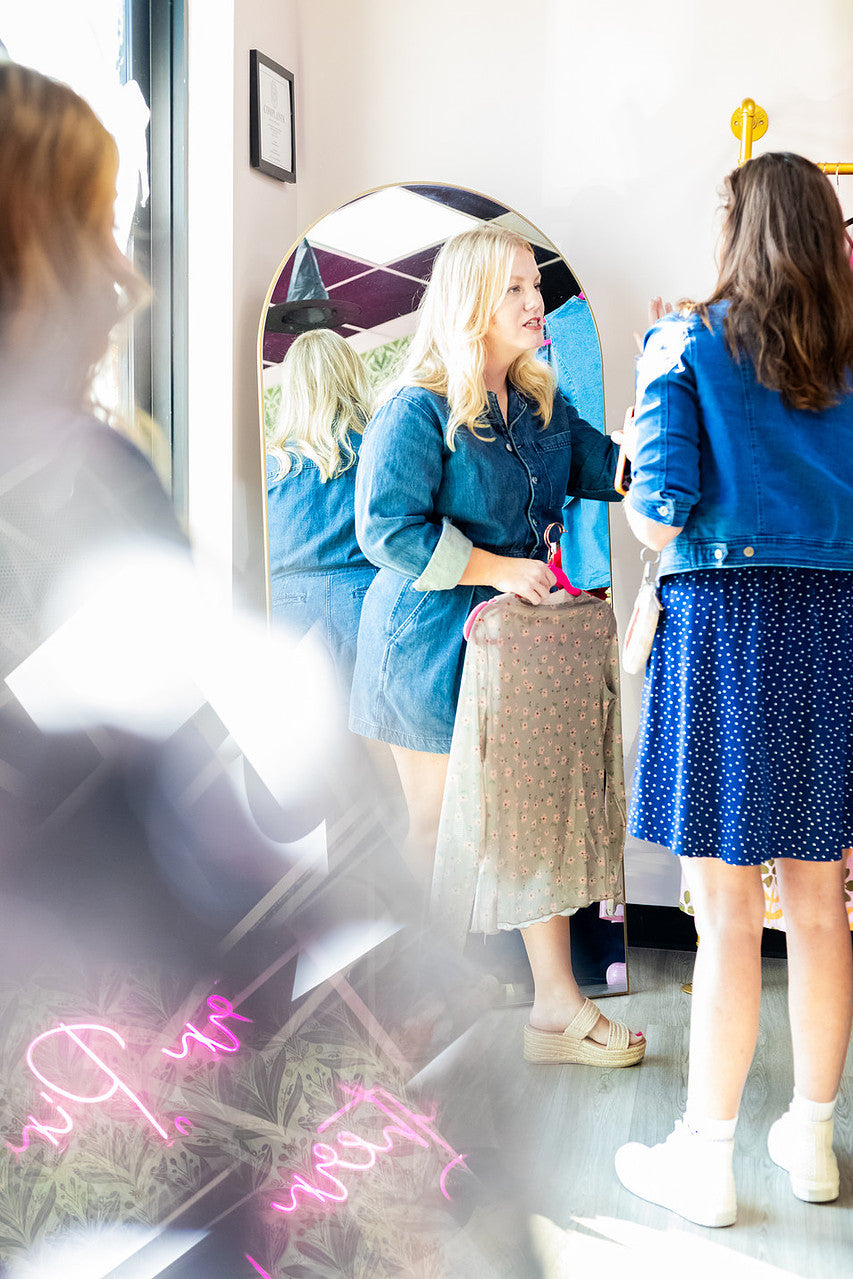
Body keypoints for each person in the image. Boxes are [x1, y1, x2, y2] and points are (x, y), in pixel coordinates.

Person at [614, 152, 853, 1225]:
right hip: (834, 629)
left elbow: (657, 511)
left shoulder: (685, 341)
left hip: (726, 632)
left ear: (738, 230)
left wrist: (637, 430)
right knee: (820, 903)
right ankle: (811, 1140)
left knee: (722, 911)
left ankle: (704, 1161)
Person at [351, 223, 644, 1063]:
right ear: (470, 300)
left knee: (522, 819)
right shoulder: (417, 409)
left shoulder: (543, 408)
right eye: (513, 287)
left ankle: (553, 1005)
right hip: (424, 648)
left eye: (533, 285)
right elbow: (385, 529)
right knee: (436, 827)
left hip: (508, 649)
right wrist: (496, 567)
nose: (533, 301)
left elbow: (613, 471)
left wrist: (657, 424)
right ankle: (408, 1009)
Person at [266, 328, 377, 690]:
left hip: (286, 610)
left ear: (293, 390)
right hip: (366, 599)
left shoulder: (268, 467)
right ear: (352, 376)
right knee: (373, 725)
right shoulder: (378, 449)